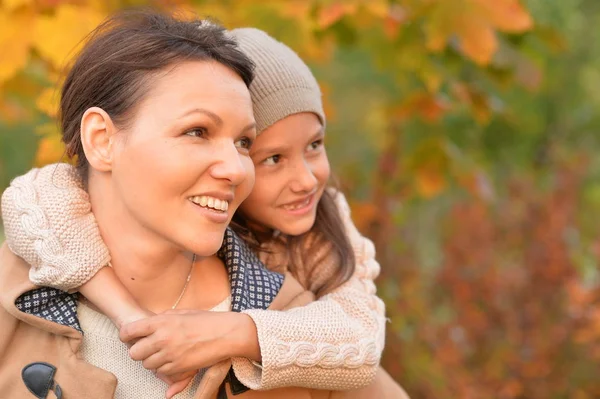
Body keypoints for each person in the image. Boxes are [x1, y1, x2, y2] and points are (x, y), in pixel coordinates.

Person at [1, 21, 408, 399]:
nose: (235, 169)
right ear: (102, 140)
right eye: (197, 131)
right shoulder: (16, 289)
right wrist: (128, 314)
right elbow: (34, 197)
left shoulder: (303, 314)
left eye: (244, 143)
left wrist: (240, 333)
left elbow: (360, 339)